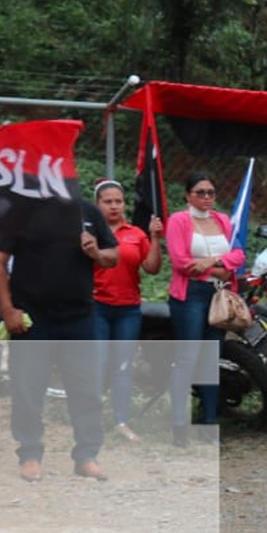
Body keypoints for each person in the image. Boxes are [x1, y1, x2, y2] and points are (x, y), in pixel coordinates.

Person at [0, 189, 119, 483]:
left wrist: (96, 253)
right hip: (34, 320)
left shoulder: (87, 212)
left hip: (80, 318)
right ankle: (30, 454)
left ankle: (87, 456)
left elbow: (113, 255)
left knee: (86, 389)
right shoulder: (20, 212)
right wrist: (7, 309)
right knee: (28, 389)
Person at [164, 171, 247, 448]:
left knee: (211, 361)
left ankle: (209, 423)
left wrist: (211, 262)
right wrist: (219, 268)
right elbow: (181, 261)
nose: (207, 197)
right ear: (188, 195)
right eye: (200, 192)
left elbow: (238, 254)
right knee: (187, 359)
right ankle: (179, 426)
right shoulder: (179, 220)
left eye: (211, 192)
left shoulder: (222, 220)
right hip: (190, 295)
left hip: (218, 295)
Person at [92, 180, 162, 442]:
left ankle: (121, 421)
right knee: (98, 364)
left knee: (122, 367)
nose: (113, 206)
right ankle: (92, 420)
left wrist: (154, 238)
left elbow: (152, 268)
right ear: (97, 204)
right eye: (107, 201)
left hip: (128, 310)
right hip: (97, 308)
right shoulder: (89, 234)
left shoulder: (136, 234)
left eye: (118, 201)